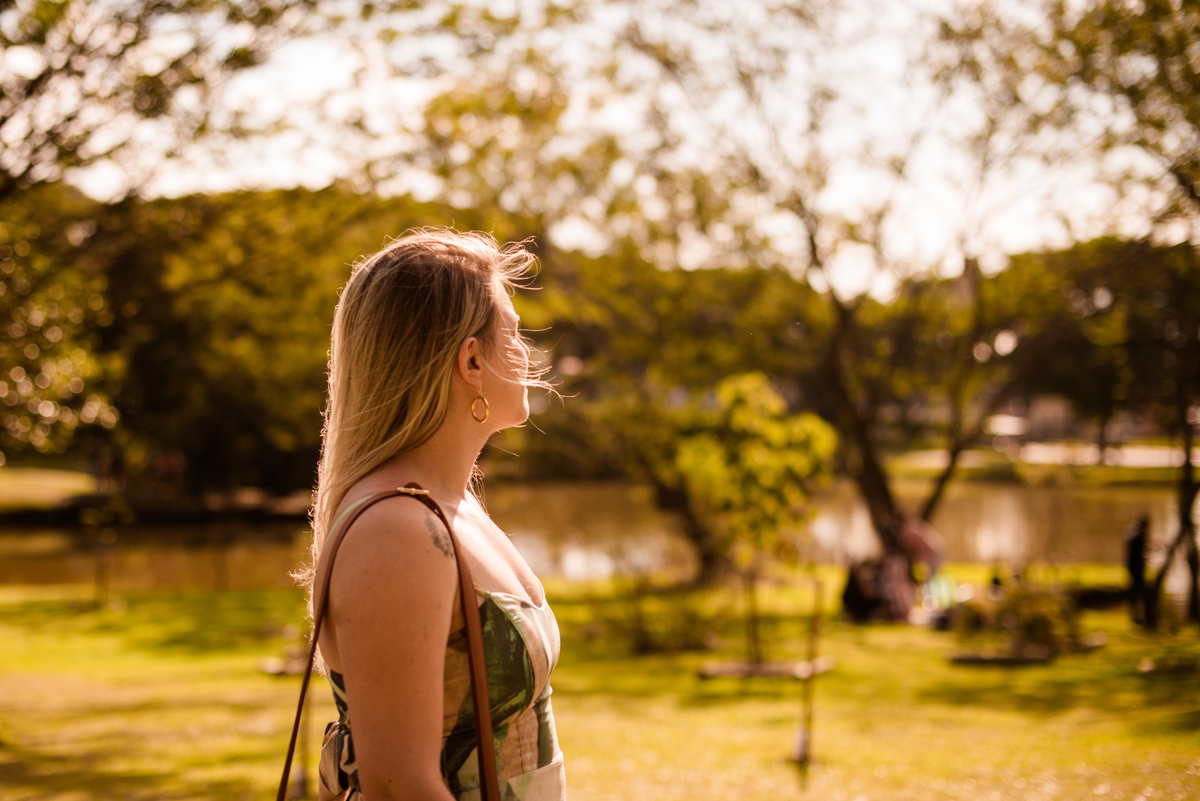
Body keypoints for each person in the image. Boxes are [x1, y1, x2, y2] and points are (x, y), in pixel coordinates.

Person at [298, 229, 565, 801]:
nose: (528, 353)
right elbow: (401, 788)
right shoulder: (397, 530)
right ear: (471, 359)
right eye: (514, 334)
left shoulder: (452, 506)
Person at [1125, 514, 1149, 624]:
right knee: (1138, 588)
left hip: (1132, 566)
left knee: (1134, 587)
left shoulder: (1132, 533)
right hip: (1136, 567)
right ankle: (1138, 611)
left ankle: (1134, 610)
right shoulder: (1139, 536)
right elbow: (1140, 551)